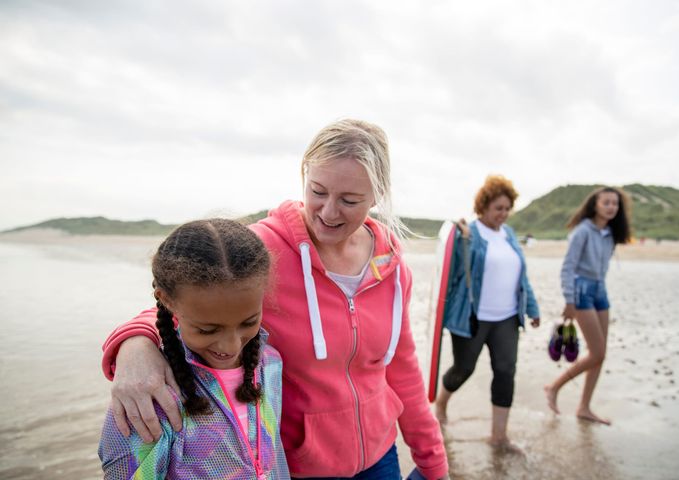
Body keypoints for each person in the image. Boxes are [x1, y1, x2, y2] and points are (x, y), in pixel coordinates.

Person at [100, 119, 449, 479]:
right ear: (304, 176)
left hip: (379, 458)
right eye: (317, 191)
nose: (328, 212)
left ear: (377, 195)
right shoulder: (264, 250)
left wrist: (433, 462)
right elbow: (181, 300)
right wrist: (134, 346)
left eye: (349, 200)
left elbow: (403, 371)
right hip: (295, 465)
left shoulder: (390, 268)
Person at [98, 219, 289, 479]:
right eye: (207, 330)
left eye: (248, 322)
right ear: (166, 301)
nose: (231, 346)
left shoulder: (271, 364)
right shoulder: (147, 396)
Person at [434, 175, 540, 451]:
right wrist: (463, 240)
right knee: (463, 369)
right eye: (498, 208)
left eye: (507, 209)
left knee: (506, 372)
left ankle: (499, 436)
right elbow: (455, 272)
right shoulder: (468, 233)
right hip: (472, 318)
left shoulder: (510, 234)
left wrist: (532, 308)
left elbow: (521, 276)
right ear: (483, 206)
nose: (503, 215)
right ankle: (441, 403)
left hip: (506, 318)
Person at [544, 186, 632, 425]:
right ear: (595, 205)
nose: (611, 207)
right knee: (598, 352)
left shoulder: (610, 234)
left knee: (600, 355)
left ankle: (584, 407)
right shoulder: (582, 231)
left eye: (615, 203)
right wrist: (569, 300)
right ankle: (554, 387)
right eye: (606, 202)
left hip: (600, 289)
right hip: (581, 290)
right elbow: (567, 268)